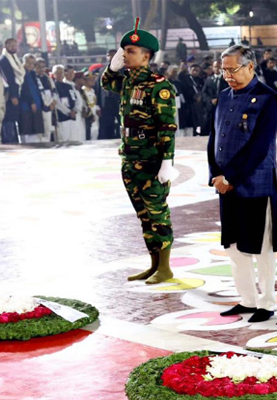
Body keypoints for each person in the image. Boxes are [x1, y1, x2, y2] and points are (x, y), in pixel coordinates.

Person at [209, 44, 277, 323]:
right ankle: (247, 299)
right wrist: (215, 175)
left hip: (255, 184)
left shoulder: (267, 98)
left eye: (232, 69)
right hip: (226, 186)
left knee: (262, 248)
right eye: (223, 69)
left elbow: (259, 147)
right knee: (234, 247)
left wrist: (230, 178)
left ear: (250, 67)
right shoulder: (223, 96)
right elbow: (214, 141)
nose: (227, 75)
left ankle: (266, 302)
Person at [103, 18, 178, 284]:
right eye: (123, 51)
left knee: (157, 213)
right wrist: (111, 68)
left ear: (146, 56)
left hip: (151, 159)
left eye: (130, 51)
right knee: (143, 214)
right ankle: (154, 265)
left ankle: (166, 268)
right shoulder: (126, 82)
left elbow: (167, 127)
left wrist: (167, 161)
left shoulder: (159, 85)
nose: (125, 54)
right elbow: (105, 83)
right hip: (129, 157)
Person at [0, 38, 24, 144]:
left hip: (16, 91)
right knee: (8, 118)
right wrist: (13, 95)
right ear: (6, 45)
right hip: (9, 94)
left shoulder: (14, 58)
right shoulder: (3, 59)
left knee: (13, 118)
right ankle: (9, 141)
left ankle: (13, 140)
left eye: (15, 45)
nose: (14, 47)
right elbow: (8, 78)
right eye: (11, 45)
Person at [18, 54, 46, 143]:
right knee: (27, 131)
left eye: (33, 63)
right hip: (26, 106)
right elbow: (23, 90)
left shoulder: (33, 74)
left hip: (36, 106)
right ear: (24, 62)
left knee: (36, 132)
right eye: (28, 62)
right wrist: (31, 102)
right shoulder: (21, 73)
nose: (30, 65)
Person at [96, 49, 121, 140]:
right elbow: (98, 88)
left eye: (113, 55)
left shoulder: (124, 69)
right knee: (106, 124)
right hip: (105, 102)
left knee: (122, 122)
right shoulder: (102, 70)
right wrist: (98, 105)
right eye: (108, 55)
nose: (110, 57)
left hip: (119, 101)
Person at [202, 60, 228, 140]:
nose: (217, 69)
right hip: (210, 107)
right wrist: (210, 100)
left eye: (219, 67)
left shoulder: (226, 79)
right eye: (215, 67)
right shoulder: (209, 79)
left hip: (222, 106)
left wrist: (220, 99)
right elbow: (204, 92)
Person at [52, 64, 77, 141]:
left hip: (72, 117)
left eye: (61, 72)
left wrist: (74, 110)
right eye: (57, 72)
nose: (60, 74)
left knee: (73, 139)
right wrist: (68, 111)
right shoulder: (53, 86)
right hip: (61, 118)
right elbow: (57, 102)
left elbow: (75, 99)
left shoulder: (69, 86)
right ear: (53, 74)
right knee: (63, 140)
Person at [35, 58, 56, 142]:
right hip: (40, 107)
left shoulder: (47, 78)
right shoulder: (34, 78)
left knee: (48, 129)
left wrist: (53, 102)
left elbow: (54, 90)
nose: (41, 69)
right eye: (39, 67)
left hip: (50, 106)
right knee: (40, 131)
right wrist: (46, 103)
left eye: (43, 67)